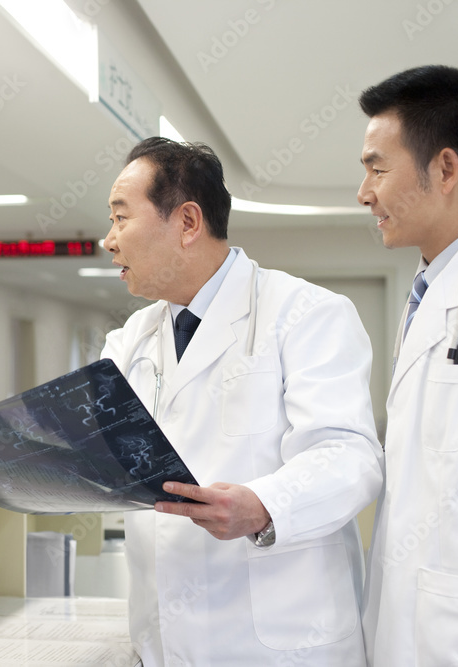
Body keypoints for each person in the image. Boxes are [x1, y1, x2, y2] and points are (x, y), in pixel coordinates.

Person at [100, 137, 383, 666]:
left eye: (120, 218)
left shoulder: (307, 314)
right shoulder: (130, 339)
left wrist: (264, 506)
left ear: (187, 222)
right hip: (163, 640)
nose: (107, 239)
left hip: (279, 644)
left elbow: (351, 456)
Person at [357, 66, 458, 665]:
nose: (364, 192)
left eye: (377, 167)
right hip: (414, 627)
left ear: (446, 168)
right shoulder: (430, 291)